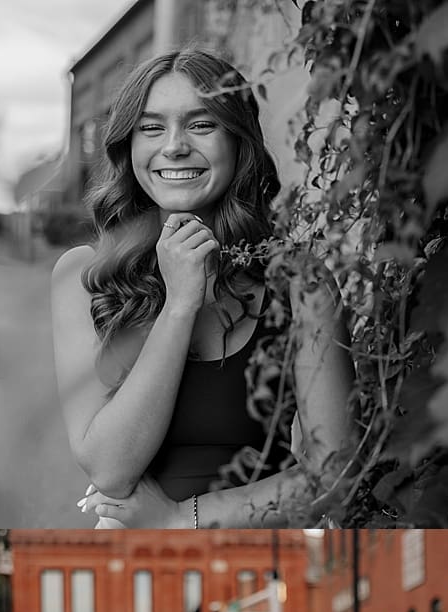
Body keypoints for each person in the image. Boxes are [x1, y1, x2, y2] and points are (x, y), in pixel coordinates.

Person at [52, 48, 358, 529]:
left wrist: (182, 519)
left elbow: (336, 474)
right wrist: (180, 305)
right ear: (128, 147)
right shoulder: (85, 276)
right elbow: (109, 468)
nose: (173, 146)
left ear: (239, 141)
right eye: (151, 128)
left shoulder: (300, 281)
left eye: (201, 124)